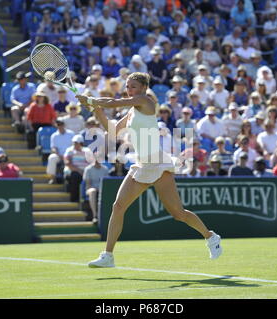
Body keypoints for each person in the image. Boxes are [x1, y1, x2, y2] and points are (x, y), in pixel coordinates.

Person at [76, 72, 222, 268]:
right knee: (118, 207)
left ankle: (211, 236)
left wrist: (93, 100)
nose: (129, 90)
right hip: (141, 164)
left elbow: (113, 102)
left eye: (133, 86)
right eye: (127, 86)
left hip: (158, 164)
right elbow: (112, 132)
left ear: (144, 88)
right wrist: (96, 109)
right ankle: (108, 256)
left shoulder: (146, 101)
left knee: (178, 214)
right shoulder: (131, 112)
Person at [63, 134, 93, 202]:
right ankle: (74, 199)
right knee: (75, 176)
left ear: (81, 143)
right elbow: (67, 163)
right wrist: (80, 171)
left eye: (76, 143)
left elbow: (91, 162)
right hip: (72, 172)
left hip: (85, 172)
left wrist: (85, 171)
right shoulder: (69, 150)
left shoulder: (87, 151)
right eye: (74, 143)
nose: (75, 144)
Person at [83, 152, 110, 224]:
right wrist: (96, 189)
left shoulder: (105, 169)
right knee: (92, 191)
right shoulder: (88, 169)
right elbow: (88, 185)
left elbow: (106, 184)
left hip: (102, 189)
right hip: (91, 190)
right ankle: (95, 216)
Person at [46, 118, 75, 184]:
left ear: (64, 125)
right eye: (58, 124)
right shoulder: (54, 136)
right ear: (56, 125)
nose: (60, 126)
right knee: (52, 158)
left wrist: (67, 156)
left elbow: (74, 146)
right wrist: (60, 155)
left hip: (70, 155)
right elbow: (53, 148)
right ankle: (52, 178)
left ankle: (68, 180)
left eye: (61, 124)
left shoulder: (71, 133)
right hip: (59, 155)